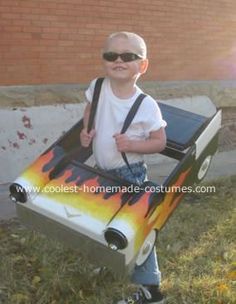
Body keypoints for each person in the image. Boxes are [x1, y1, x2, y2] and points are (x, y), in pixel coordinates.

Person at [80, 31, 166, 304]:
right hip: (101, 169)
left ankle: (151, 290)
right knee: (103, 221)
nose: (118, 60)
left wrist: (132, 145)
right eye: (111, 55)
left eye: (128, 56)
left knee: (137, 230)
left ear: (142, 65)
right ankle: (112, 261)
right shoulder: (97, 86)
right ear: (103, 60)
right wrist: (86, 129)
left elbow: (159, 142)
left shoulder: (146, 105)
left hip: (130, 176)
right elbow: (90, 108)